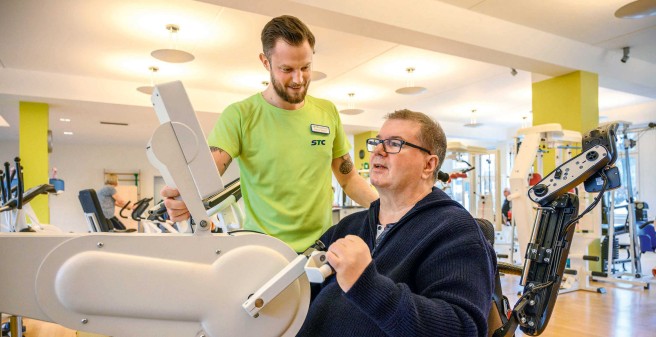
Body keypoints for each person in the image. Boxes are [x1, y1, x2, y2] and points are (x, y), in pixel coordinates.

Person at [161, 15, 378, 252]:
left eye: (305, 67)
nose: (299, 79)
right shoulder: (240, 115)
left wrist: (387, 208)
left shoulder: (327, 111)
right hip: (265, 252)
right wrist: (186, 197)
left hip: (321, 249)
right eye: (287, 69)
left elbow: (348, 178)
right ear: (265, 62)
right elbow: (208, 171)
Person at [297, 109, 496, 337]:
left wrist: (366, 284)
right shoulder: (348, 227)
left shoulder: (455, 231)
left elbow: (461, 328)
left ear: (428, 165)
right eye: (377, 142)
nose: (378, 151)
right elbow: (297, 286)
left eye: (394, 144)